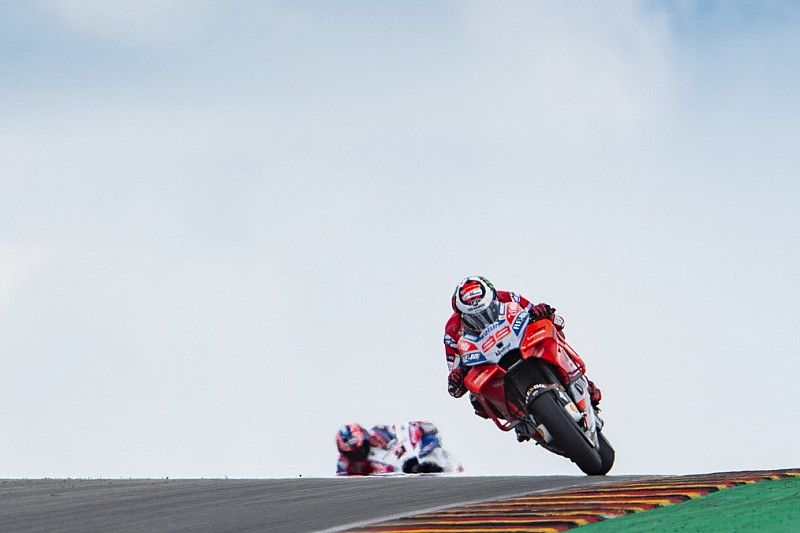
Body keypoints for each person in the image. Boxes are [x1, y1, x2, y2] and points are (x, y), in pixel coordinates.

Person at [443, 276, 602, 439]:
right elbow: (454, 378)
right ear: (461, 314)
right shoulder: (452, 331)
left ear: (493, 297)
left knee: (551, 332)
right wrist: (456, 377)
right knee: (476, 400)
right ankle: (520, 420)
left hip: (523, 344)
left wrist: (542, 311)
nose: (482, 318)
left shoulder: (508, 297)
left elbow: (551, 319)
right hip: (489, 363)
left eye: (488, 311)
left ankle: (579, 381)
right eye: (474, 318)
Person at [335, 421, 461, 475]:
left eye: (361, 448)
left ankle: (435, 465)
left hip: (404, 459)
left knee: (411, 429)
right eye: (353, 453)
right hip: (384, 483)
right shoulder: (344, 465)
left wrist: (407, 444)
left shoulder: (378, 433)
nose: (359, 454)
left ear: (365, 438)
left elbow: (401, 431)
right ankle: (414, 468)